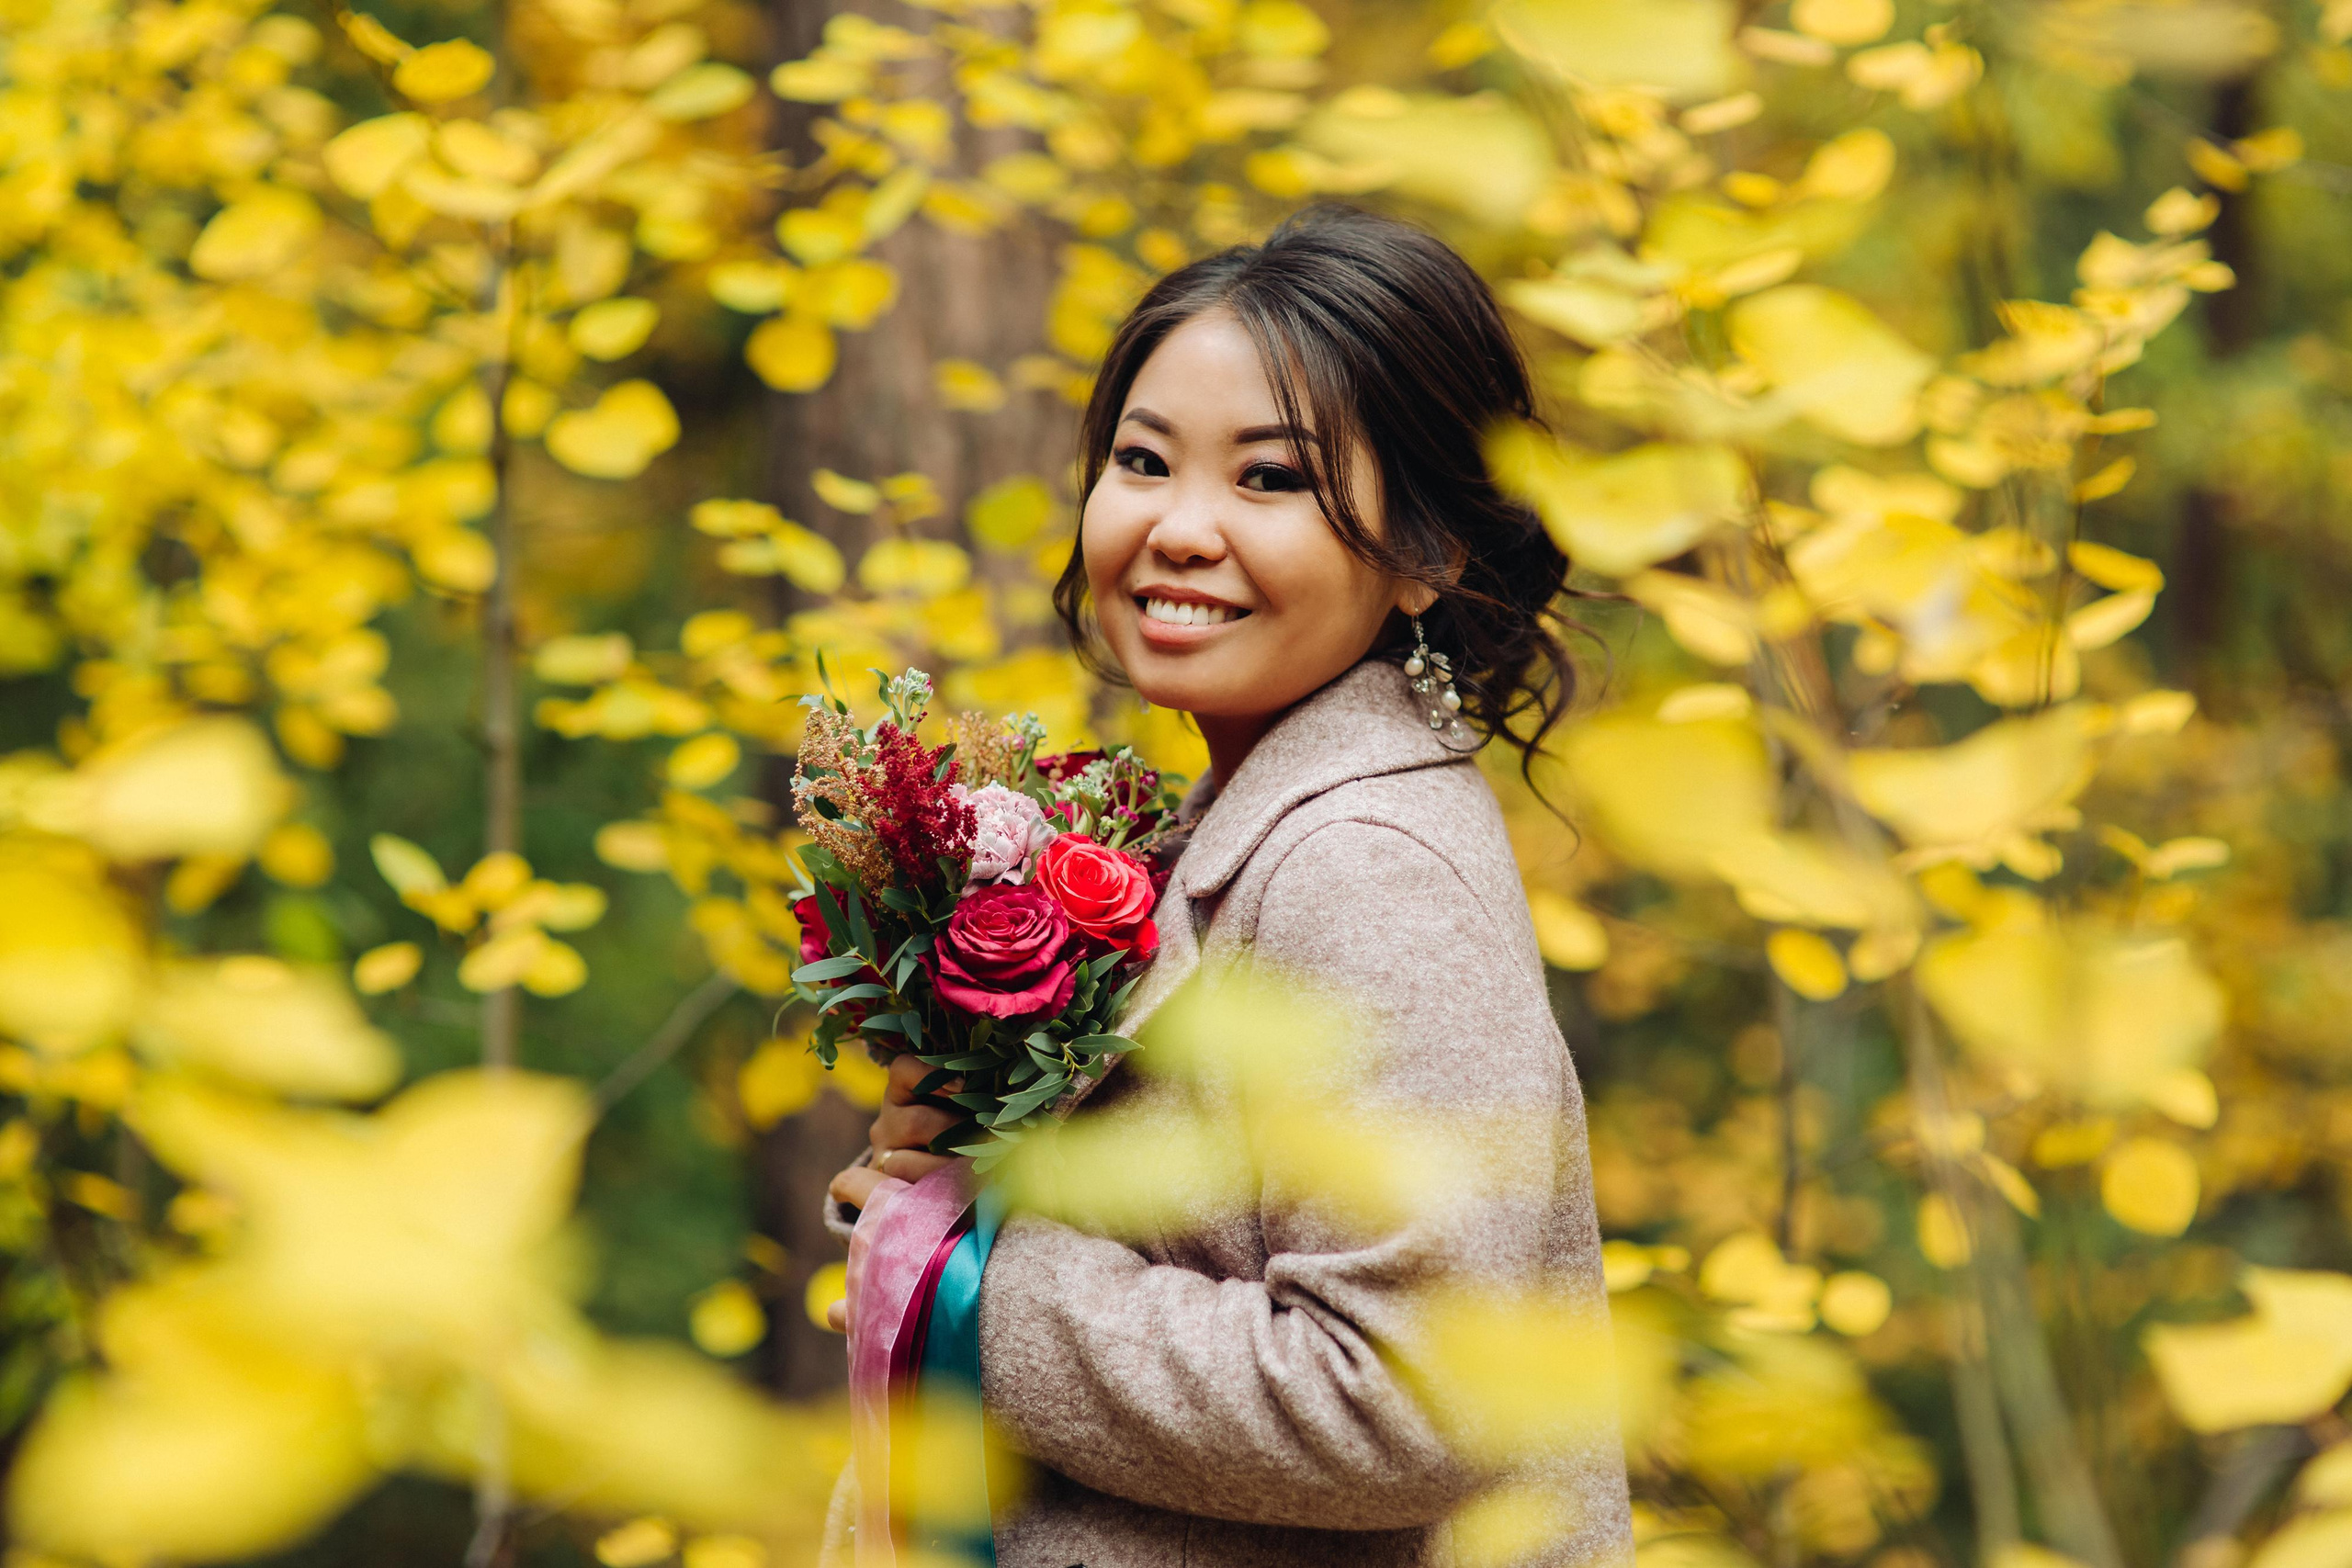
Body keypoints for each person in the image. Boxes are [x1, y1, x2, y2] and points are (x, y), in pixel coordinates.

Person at [821, 204, 1633, 1567]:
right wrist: (943, 1190)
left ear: (1429, 556)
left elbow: (1416, 1397)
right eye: (1144, 462)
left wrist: (973, 1273)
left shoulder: (1367, 866)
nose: (1180, 528)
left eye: (1270, 480)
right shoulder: (1230, 836)